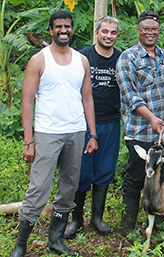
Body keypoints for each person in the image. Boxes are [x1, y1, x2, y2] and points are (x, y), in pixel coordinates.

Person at [11, 10, 98, 257]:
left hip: (76, 131)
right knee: (38, 188)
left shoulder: (81, 61)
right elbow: (27, 102)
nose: (63, 30)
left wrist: (92, 134)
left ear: (72, 30)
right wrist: (29, 140)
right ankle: (20, 245)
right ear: (50, 30)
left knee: (68, 188)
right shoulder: (39, 60)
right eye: (58, 26)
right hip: (47, 133)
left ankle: (56, 240)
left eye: (67, 26)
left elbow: (87, 98)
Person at [115, 10, 164, 241]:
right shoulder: (128, 58)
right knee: (138, 177)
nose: (150, 32)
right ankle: (129, 227)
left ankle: (159, 222)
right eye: (146, 29)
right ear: (138, 30)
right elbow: (130, 96)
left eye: (154, 29)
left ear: (159, 31)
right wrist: (151, 118)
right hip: (141, 133)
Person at [64, 16, 122, 239]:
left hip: (111, 121)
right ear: (97, 33)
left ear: (117, 36)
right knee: (81, 170)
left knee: (105, 169)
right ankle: (76, 218)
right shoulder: (82, 57)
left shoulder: (121, 59)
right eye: (105, 31)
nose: (108, 36)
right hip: (83, 123)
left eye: (113, 33)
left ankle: (97, 217)